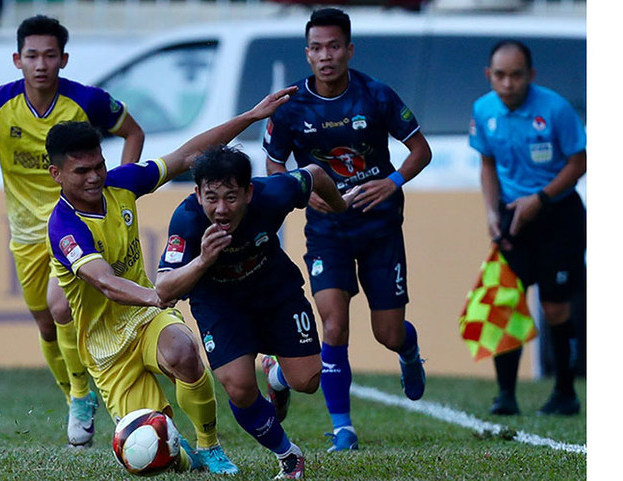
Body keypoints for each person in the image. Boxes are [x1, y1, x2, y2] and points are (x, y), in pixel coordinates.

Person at [45, 86, 298, 473]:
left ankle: (210, 444)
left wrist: (250, 116)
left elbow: (187, 156)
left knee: (183, 351)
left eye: (98, 165)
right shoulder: (64, 227)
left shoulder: (121, 183)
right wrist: (156, 294)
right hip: (106, 347)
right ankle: (187, 456)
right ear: (56, 174)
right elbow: (105, 282)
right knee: (159, 455)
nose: (95, 176)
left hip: (145, 319)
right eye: (82, 171)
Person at [0, 15, 145, 447]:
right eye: (32, 55)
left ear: (64, 58)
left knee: (61, 309)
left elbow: (133, 132)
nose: (41, 64)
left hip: (73, 222)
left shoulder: (87, 101)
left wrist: (115, 188)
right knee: (45, 323)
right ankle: (73, 396)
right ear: (17, 59)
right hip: (25, 233)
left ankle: (82, 395)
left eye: (50, 55)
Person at [263, 7, 432, 452]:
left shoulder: (375, 95)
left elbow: (420, 150)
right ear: (307, 53)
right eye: (316, 48)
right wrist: (301, 192)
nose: (325, 56)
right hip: (327, 230)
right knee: (333, 325)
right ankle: (343, 428)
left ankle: (408, 353)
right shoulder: (290, 107)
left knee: (388, 333)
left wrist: (391, 181)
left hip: (379, 227)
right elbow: (274, 164)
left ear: (349, 50)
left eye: (334, 46)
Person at [155, 145, 352, 479]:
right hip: (219, 304)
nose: (220, 209)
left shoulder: (273, 194)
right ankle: (288, 455)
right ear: (197, 193)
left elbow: (316, 175)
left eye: (231, 197)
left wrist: (341, 207)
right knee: (240, 388)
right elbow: (163, 289)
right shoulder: (187, 219)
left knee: (307, 381)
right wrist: (203, 259)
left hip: (276, 292)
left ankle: (276, 376)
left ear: (248, 192)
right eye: (211, 197)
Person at [469, 40, 586, 416]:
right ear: (489, 76)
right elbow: (487, 163)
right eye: (500, 75)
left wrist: (541, 199)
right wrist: (490, 212)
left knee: (555, 307)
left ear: (530, 76)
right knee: (504, 301)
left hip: (558, 215)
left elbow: (579, 162)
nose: (508, 83)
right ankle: (505, 396)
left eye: (516, 75)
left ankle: (565, 393)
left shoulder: (555, 109)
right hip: (513, 217)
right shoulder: (483, 109)